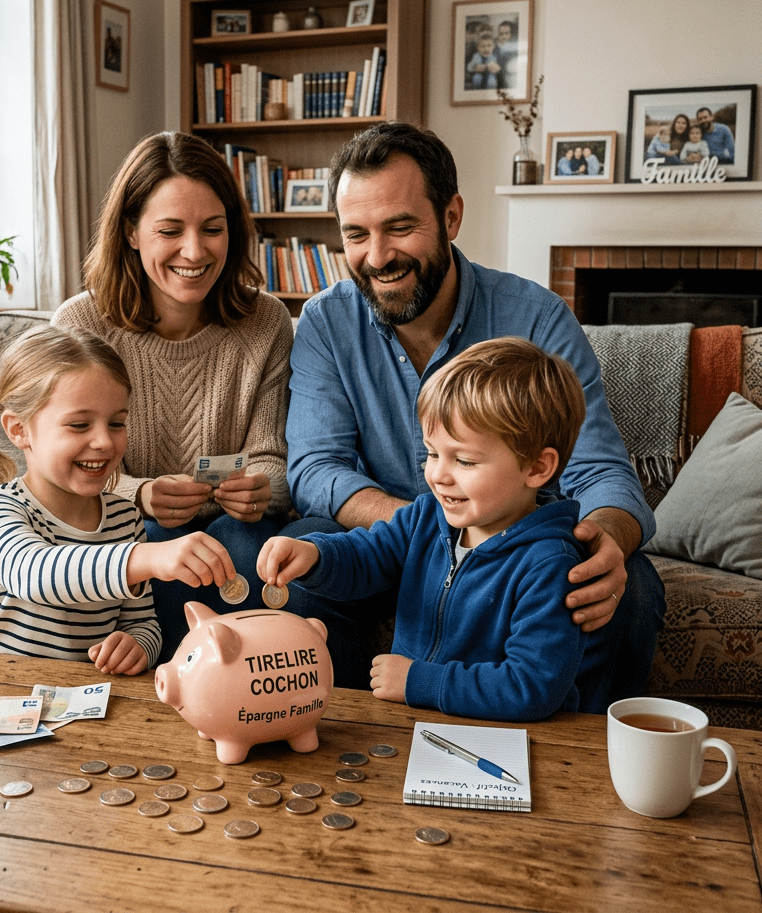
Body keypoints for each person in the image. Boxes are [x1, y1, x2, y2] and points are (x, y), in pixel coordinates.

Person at [281, 121, 665, 710]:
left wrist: (605, 539)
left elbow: (599, 470)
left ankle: (575, 771)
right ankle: (355, 752)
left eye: (401, 227)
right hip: (395, 540)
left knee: (632, 586)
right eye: (355, 234)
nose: (377, 256)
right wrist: (430, 529)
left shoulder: (535, 317)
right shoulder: (326, 322)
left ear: (452, 217)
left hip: (509, 554)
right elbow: (315, 466)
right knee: (309, 549)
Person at [52, 131, 294, 664]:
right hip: (133, 524)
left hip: (241, 525)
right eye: (170, 230)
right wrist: (138, 492)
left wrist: (260, 488)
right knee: (159, 535)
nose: (194, 251)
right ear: (132, 233)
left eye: (213, 229)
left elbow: (273, 458)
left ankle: (254, 701)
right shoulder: (81, 324)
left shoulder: (267, 322)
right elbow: (55, 466)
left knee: (245, 542)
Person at [261, 338, 589, 719]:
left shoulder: (550, 564)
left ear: (536, 468)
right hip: (417, 722)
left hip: (505, 743)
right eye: (432, 453)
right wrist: (315, 556)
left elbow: (532, 687)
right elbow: (367, 555)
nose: (437, 475)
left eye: (464, 461)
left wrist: (420, 681)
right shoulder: (427, 517)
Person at [0, 324, 238, 673]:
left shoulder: (123, 519)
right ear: (19, 430)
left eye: (117, 423)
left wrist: (138, 646)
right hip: (4, 703)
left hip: (87, 701)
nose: (104, 441)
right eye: (80, 425)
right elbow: (32, 574)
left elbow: (142, 622)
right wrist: (148, 556)